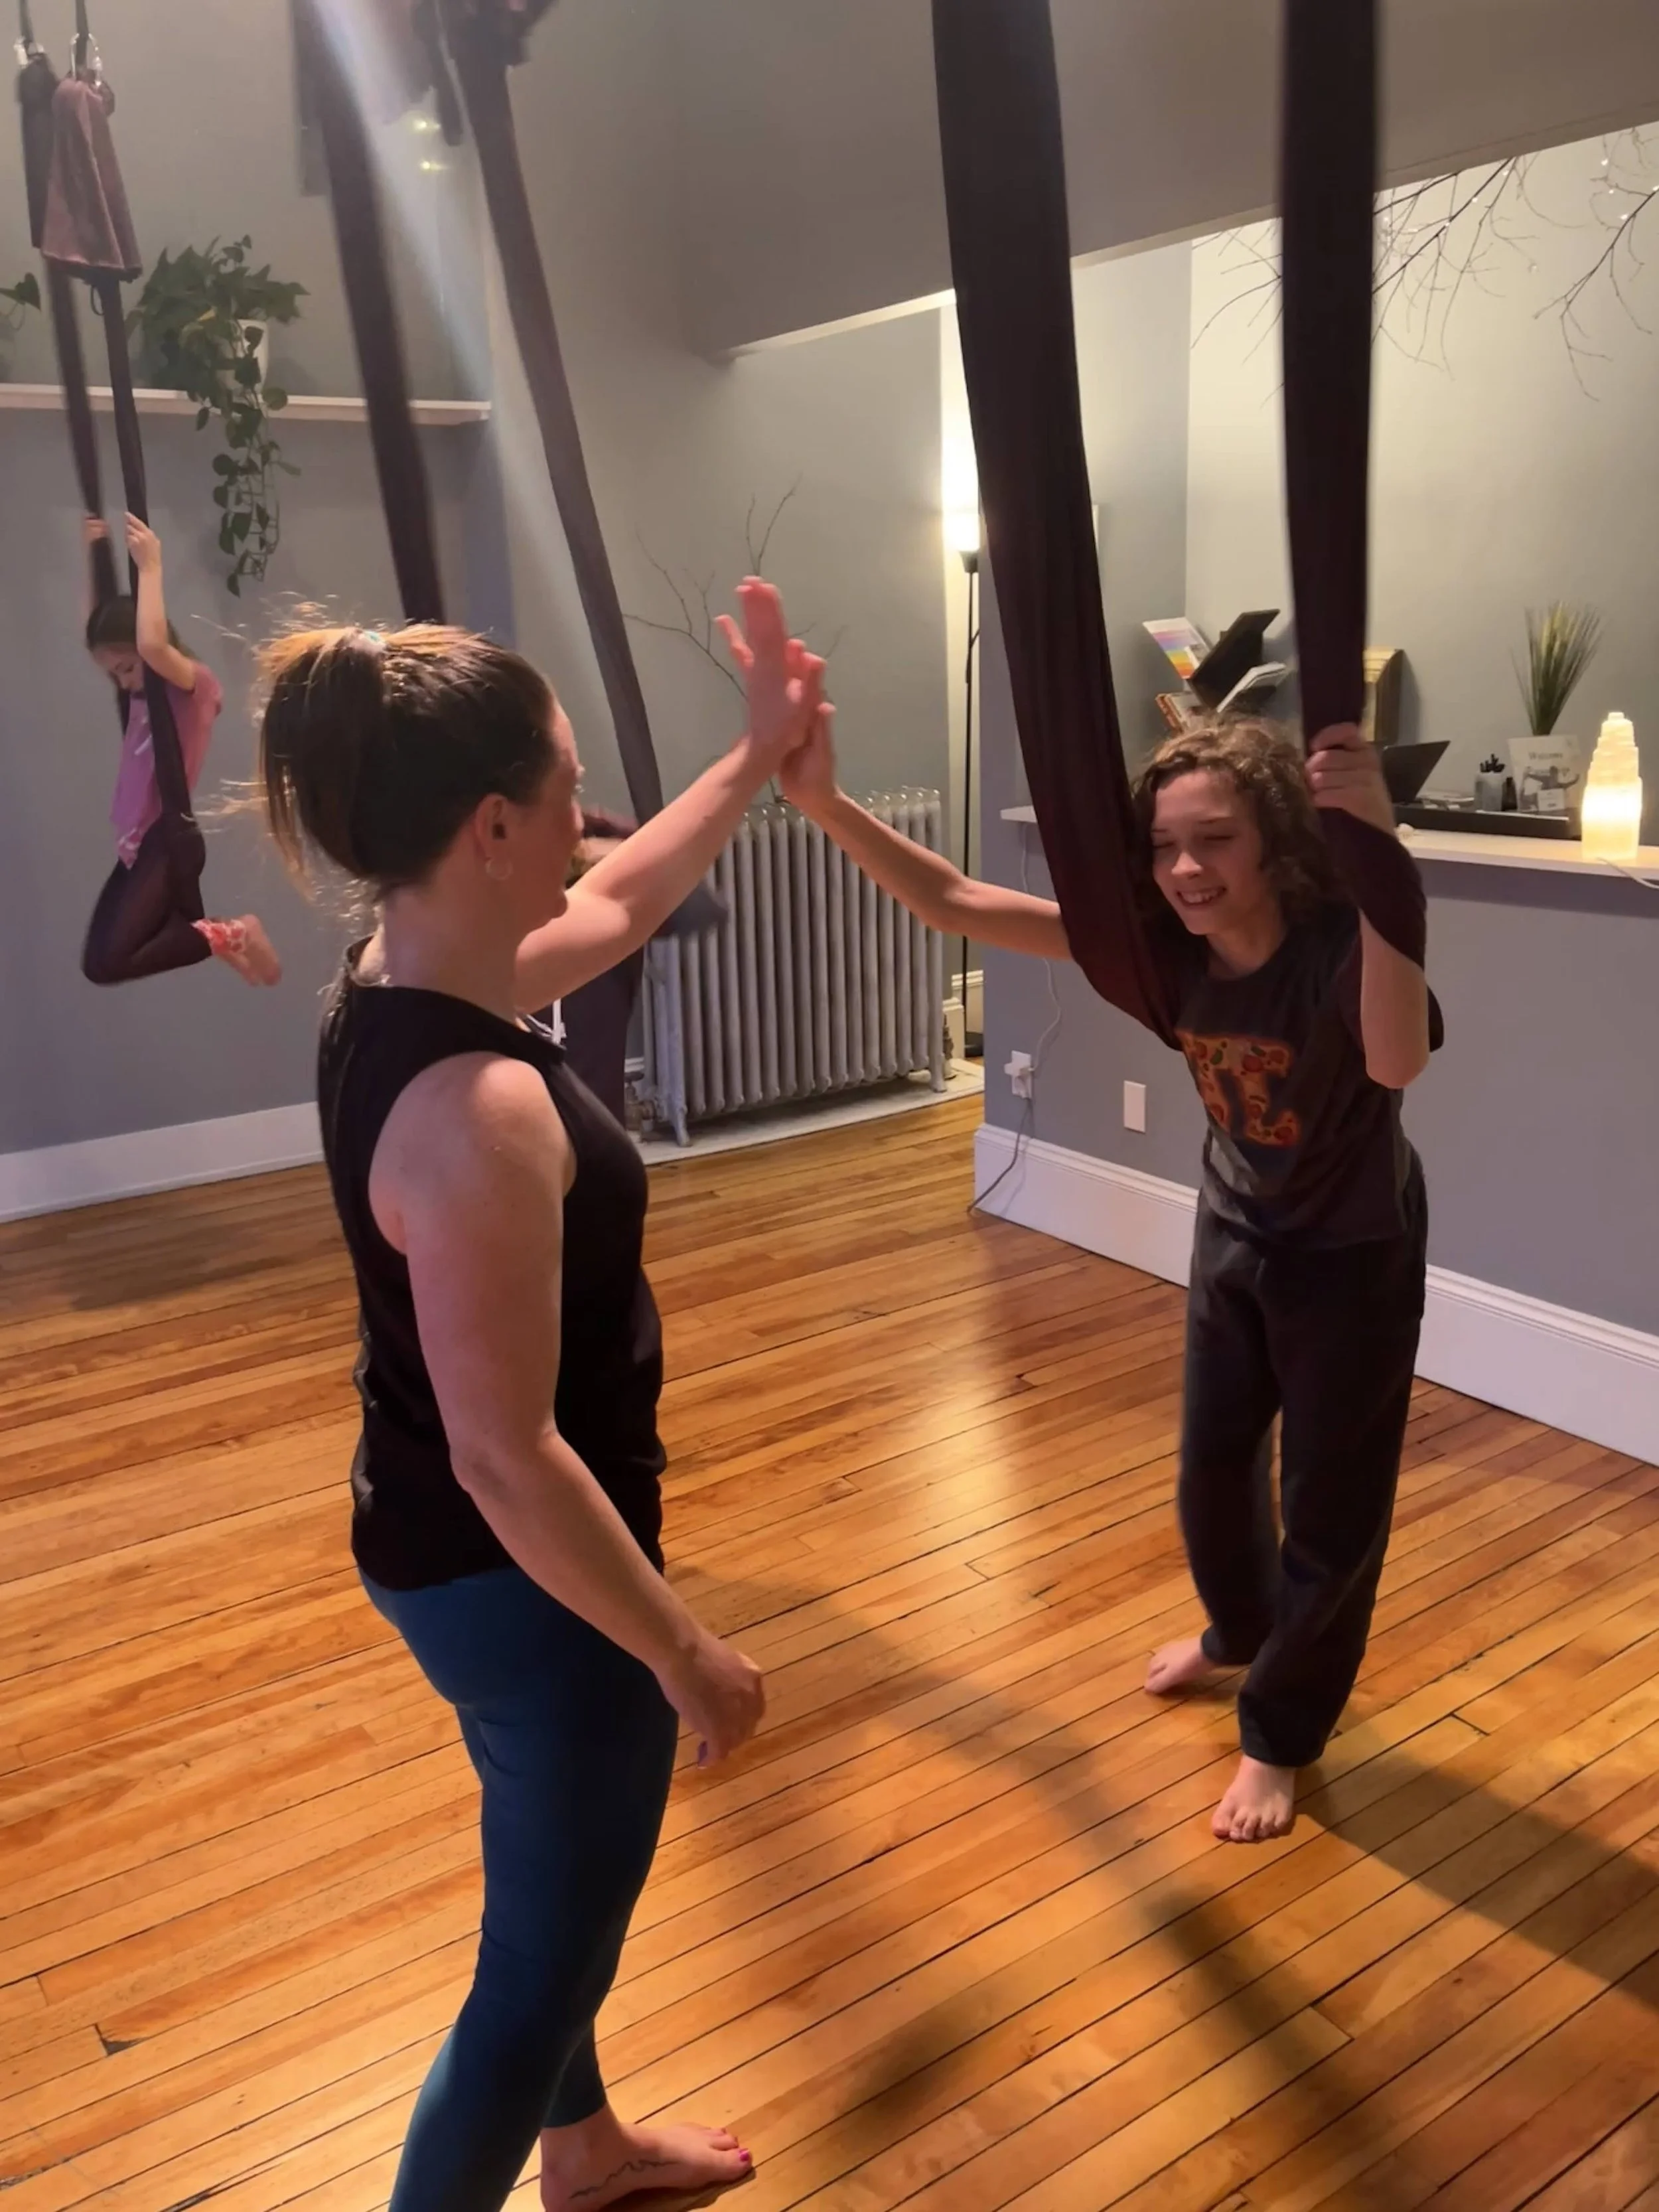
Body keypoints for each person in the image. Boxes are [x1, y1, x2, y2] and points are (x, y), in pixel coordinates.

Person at [256, 581, 823, 2212]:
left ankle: (583, 2150)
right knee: (530, 1976)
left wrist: (756, 754)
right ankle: (536, 2136)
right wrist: (684, 1652)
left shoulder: (414, 969)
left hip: (435, 1546)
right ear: (497, 824)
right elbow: (512, 1459)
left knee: (548, 1893)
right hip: (520, 1582)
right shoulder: (479, 1109)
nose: (596, 811)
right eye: (572, 785)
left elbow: (625, 900)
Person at [781, 710, 1435, 1846]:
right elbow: (957, 903)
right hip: (1236, 1228)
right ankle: (1240, 1631)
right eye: (1164, 845)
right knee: (1211, 1474)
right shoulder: (1165, 958)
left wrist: (1382, 859)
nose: (1184, 868)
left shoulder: (1338, 948)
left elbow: (1395, 1059)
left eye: (1215, 840)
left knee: (1331, 1511)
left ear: (1275, 839)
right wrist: (828, 805)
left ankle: (1281, 1731)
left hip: (1352, 1253)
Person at [83, 514, 281, 987]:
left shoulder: (191, 685)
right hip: (139, 846)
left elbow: (150, 644)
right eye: (115, 673)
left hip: (167, 839)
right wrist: (95, 555)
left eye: (126, 668)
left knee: (112, 961)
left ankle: (235, 933)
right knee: (99, 964)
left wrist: (150, 567)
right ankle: (218, 937)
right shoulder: (138, 692)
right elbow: (103, 636)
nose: (124, 681)